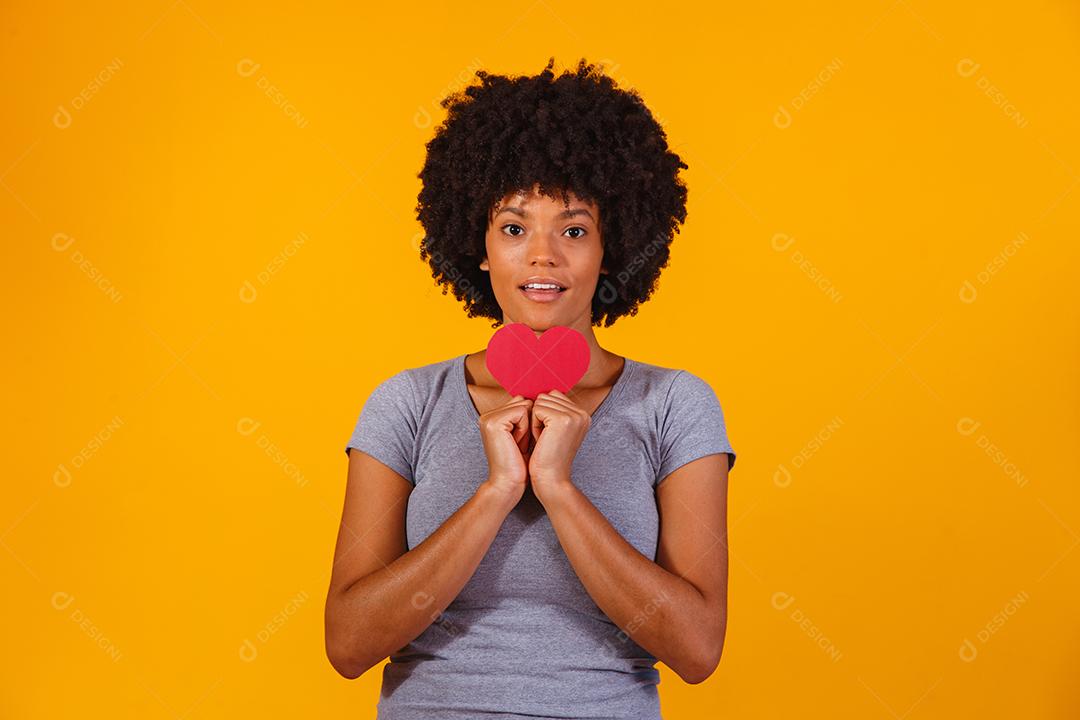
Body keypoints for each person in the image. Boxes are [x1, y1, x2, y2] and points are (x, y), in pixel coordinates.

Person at [324, 57, 738, 719]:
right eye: (514, 228)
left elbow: (696, 648)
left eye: (574, 230)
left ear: (610, 247)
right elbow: (349, 644)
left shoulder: (673, 406)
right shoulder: (408, 403)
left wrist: (558, 488)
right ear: (480, 245)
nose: (543, 255)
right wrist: (496, 491)